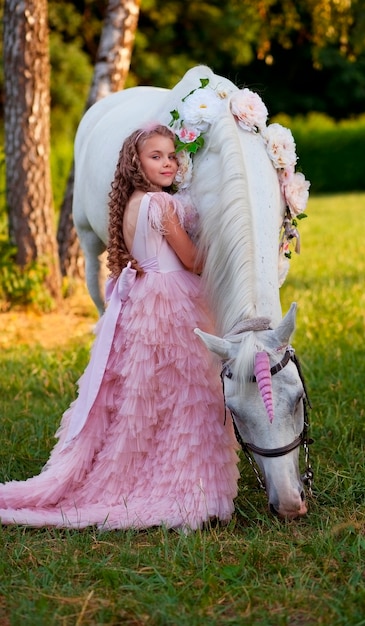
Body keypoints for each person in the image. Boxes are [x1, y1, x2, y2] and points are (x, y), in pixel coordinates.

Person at [0, 124, 239, 530]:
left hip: (145, 297)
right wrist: (227, 243)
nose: (167, 163)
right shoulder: (160, 206)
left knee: (150, 393)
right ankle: (182, 481)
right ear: (136, 163)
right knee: (188, 390)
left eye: (171, 155)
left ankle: (151, 464)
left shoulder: (132, 202)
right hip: (171, 300)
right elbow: (193, 262)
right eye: (156, 156)